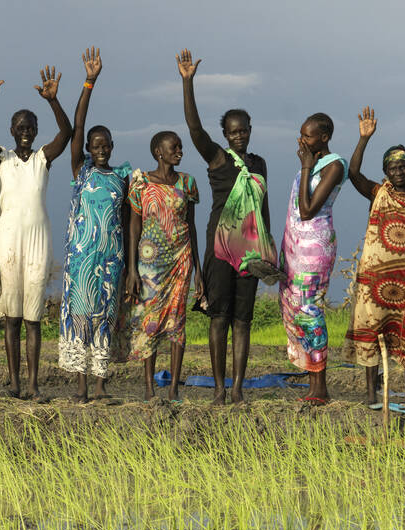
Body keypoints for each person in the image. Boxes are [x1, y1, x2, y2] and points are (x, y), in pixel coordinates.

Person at [178, 50, 276, 405]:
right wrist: (188, 82)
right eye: (232, 132)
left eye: (243, 131)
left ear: (250, 131)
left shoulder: (260, 163)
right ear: (225, 134)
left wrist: (270, 247)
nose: (239, 136)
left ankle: (237, 389)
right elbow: (193, 129)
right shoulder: (218, 158)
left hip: (251, 251)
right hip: (221, 248)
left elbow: (262, 209)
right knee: (218, 317)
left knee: (244, 320)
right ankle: (219, 389)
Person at [0, 64, 73, 400]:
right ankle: (15, 383)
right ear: (11, 129)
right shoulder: (1, 159)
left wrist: (54, 100)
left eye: (29, 127)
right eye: (19, 126)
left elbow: (67, 134)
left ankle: (33, 385)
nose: (24, 131)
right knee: (12, 318)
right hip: (8, 243)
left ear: (35, 131)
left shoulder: (41, 159)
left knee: (33, 317)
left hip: (37, 244)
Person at [344, 108, 405, 408]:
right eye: (392, 167)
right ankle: (372, 396)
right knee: (371, 333)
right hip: (374, 278)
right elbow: (353, 173)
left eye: (402, 165)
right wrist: (363, 139)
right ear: (386, 170)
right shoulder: (377, 192)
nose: (398, 171)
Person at [60, 47, 134, 402]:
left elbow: (127, 221)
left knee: (104, 316)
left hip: (110, 260)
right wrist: (89, 82)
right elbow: (76, 125)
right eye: (95, 144)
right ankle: (80, 387)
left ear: (112, 147)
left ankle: (102, 386)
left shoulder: (122, 177)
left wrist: (131, 265)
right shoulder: (81, 170)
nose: (101, 149)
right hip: (80, 259)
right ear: (88, 147)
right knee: (80, 315)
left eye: (106, 145)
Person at [126, 131, 200, 402]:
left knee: (177, 323)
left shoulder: (188, 182)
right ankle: (148, 388)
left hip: (181, 259)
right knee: (150, 321)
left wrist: (198, 272)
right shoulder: (141, 183)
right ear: (159, 151)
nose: (179, 151)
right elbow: (134, 225)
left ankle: (173, 390)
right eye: (174, 147)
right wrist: (132, 269)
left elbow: (191, 225)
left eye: (180, 146)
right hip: (149, 263)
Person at [282, 113, 346, 403]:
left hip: (314, 249)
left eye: (307, 136)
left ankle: (320, 386)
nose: (301, 141)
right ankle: (312, 384)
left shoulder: (334, 165)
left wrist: (306, 167)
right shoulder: (313, 164)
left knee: (310, 312)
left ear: (324, 137)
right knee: (298, 311)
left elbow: (307, 210)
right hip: (296, 249)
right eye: (301, 134)